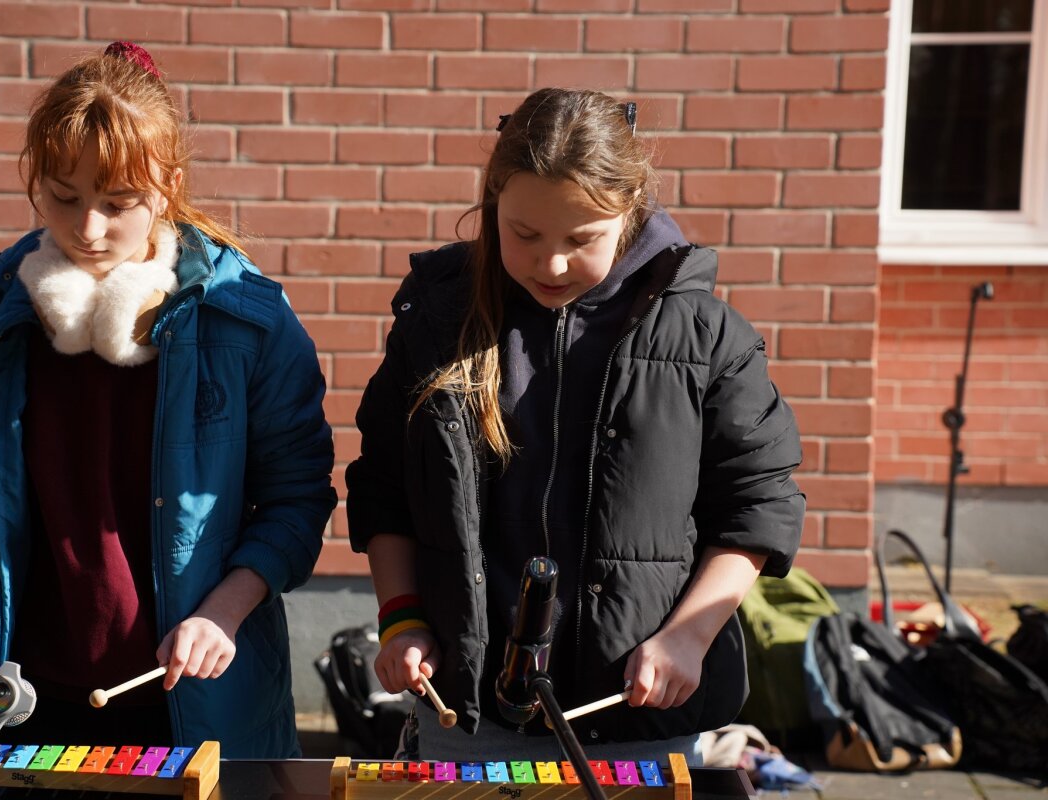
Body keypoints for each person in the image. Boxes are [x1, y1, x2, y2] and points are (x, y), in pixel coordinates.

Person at [345, 88, 805, 763]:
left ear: (631, 207)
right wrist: (402, 618)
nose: (552, 263)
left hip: (638, 715)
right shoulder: (436, 324)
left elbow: (758, 503)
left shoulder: (708, 337)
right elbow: (384, 488)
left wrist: (689, 635)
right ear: (493, 203)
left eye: (581, 239)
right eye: (524, 235)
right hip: (468, 713)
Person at [0, 42, 336, 758]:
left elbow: (296, 499)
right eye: (64, 197)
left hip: (198, 704)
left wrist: (224, 612)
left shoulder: (249, 323)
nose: (87, 228)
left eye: (117, 204)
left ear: (167, 186)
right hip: (20, 702)